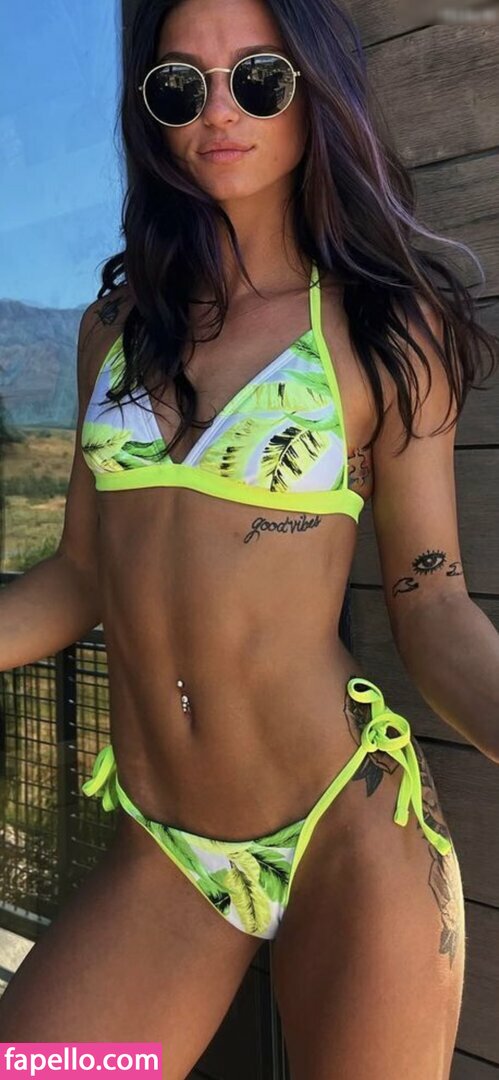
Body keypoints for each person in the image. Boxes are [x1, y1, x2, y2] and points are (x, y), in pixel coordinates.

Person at [0, 0, 498, 1076]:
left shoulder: (386, 323)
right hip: (167, 851)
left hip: (345, 831)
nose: (218, 111)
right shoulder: (114, 331)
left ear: (315, 92)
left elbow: (432, 600)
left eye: (258, 78)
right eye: (180, 85)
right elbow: (80, 574)